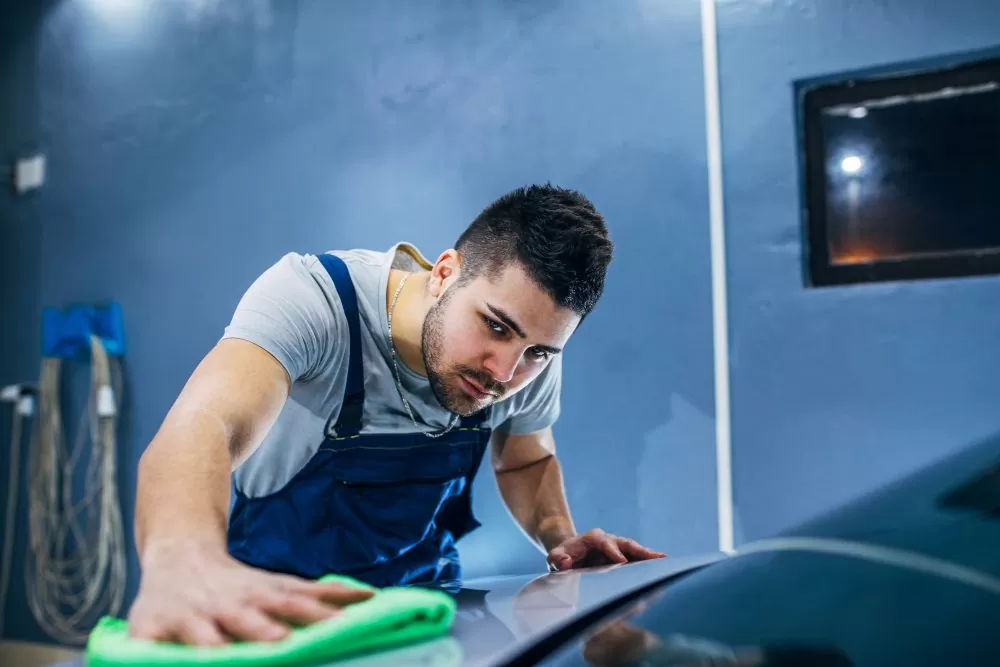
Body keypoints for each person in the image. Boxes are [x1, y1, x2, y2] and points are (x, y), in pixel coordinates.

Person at [127, 184, 665, 646]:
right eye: (495, 326)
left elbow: (525, 460)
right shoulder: (316, 301)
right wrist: (182, 559)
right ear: (444, 274)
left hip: (419, 613)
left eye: (538, 352)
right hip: (275, 613)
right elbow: (204, 426)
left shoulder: (529, 358)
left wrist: (558, 538)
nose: (504, 372)